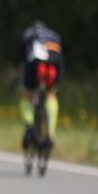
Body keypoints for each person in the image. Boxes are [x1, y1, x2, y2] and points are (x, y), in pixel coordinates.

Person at [19, 20, 64, 149]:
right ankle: (50, 133)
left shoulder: (27, 34)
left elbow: (23, 59)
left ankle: (29, 126)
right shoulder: (54, 34)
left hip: (35, 59)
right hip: (55, 59)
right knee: (51, 95)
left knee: (26, 96)